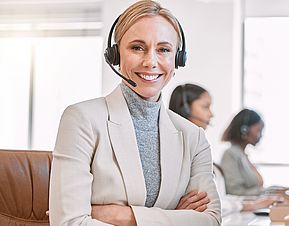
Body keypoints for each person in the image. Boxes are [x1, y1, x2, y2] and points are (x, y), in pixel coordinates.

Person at [49, 1, 221, 226]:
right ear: (116, 55)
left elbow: (210, 220)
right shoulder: (81, 120)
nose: (150, 62)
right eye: (137, 47)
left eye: (164, 49)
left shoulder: (193, 137)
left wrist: (123, 216)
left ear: (178, 59)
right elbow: (69, 223)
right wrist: (174, 217)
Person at [169, 84, 283, 217]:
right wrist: (252, 204)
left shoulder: (199, 149)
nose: (211, 114)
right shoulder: (177, 153)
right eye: (206, 107)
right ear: (186, 110)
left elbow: (217, 199)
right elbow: (207, 203)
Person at [220, 109, 266, 196]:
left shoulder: (243, 155)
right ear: (244, 130)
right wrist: (264, 192)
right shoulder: (230, 154)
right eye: (258, 130)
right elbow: (234, 192)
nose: (260, 135)